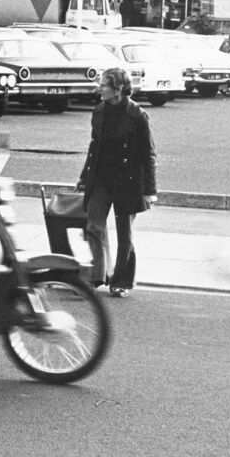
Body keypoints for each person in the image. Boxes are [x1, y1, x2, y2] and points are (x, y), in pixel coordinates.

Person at [76, 68, 157, 298]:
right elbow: (94, 147)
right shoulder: (99, 111)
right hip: (100, 178)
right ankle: (95, 275)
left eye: (104, 85)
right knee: (94, 226)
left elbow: (149, 155)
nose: (99, 88)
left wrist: (149, 191)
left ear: (118, 88)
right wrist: (84, 176)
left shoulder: (138, 116)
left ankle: (121, 281)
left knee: (125, 234)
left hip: (128, 181)